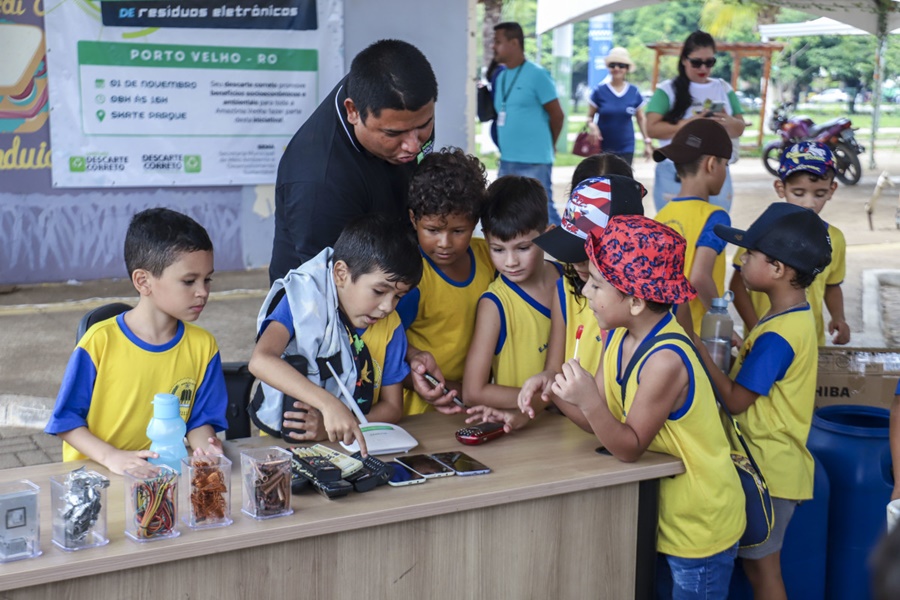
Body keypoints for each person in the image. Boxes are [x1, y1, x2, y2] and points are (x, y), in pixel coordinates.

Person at [476, 215, 745, 597]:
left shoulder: (665, 359)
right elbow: (598, 418)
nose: (585, 292)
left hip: (699, 524)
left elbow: (629, 446)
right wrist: (551, 389)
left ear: (635, 301)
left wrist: (585, 397)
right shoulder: (618, 335)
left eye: (597, 284)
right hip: (662, 515)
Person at [698, 203, 832, 600]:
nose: (740, 261)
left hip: (767, 472)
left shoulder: (778, 336)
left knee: (763, 575)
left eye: (750, 254)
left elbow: (737, 401)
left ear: (777, 269)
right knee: (760, 571)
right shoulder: (787, 319)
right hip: (768, 466)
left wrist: (697, 348)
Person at [45, 208, 228, 475]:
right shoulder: (99, 342)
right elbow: (66, 421)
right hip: (98, 477)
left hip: (161, 478)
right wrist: (112, 458)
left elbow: (199, 422)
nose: (203, 292)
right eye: (189, 281)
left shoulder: (204, 347)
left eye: (207, 279)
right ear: (143, 281)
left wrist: (206, 451)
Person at [249, 215, 436, 454]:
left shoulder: (391, 327)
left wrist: (330, 429)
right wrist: (329, 405)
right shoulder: (301, 300)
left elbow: (392, 408)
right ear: (340, 273)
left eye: (398, 296)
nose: (388, 306)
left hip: (350, 451)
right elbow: (261, 360)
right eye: (379, 291)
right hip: (282, 450)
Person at [268, 39, 437, 283]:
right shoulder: (320, 183)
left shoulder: (405, 109)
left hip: (393, 262)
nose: (413, 145)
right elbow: (332, 287)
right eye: (393, 134)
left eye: (423, 125)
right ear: (353, 111)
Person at [527, 165, 646, 399]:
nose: (577, 263)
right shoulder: (566, 287)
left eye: (586, 253)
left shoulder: (646, 313)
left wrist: (551, 392)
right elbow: (554, 370)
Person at [397, 148, 493, 415]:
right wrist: (424, 382)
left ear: (474, 223)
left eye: (458, 231)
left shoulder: (488, 256)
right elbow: (385, 343)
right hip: (422, 407)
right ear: (413, 219)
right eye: (433, 230)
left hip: (472, 403)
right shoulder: (411, 277)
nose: (445, 243)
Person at [730, 141, 850, 345]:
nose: (809, 203)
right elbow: (737, 285)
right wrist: (756, 326)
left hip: (810, 341)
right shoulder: (763, 229)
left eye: (819, 194)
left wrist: (839, 317)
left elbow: (832, 285)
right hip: (763, 337)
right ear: (780, 188)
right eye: (798, 193)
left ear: (832, 189)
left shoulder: (835, 239)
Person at [462, 176, 561, 409]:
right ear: (485, 239)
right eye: (497, 249)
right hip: (522, 429)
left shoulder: (570, 280)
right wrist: (543, 401)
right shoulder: (495, 304)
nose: (510, 262)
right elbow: (473, 392)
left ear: (548, 235)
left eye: (523, 248)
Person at [645, 30, 745, 213]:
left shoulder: (723, 88)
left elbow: (740, 127)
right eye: (696, 62)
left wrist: (728, 122)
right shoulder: (667, 90)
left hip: (716, 170)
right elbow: (651, 129)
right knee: (674, 233)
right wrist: (690, 125)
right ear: (684, 60)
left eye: (709, 62)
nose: (703, 69)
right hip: (675, 170)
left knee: (714, 231)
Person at [653, 119, 733, 335]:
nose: (725, 171)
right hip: (697, 332)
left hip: (661, 330)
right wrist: (721, 319)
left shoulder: (661, 215)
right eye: (725, 165)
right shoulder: (715, 217)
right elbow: (699, 277)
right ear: (711, 164)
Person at [492, 21, 565, 226]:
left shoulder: (537, 74)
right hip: (507, 159)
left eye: (498, 41)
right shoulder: (501, 76)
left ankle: (566, 254)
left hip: (535, 160)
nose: (493, 46)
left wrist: (550, 145)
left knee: (543, 212)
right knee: (506, 211)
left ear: (514, 43)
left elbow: (557, 115)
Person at [586, 47, 653, 165]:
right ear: (608, 68)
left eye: (621, 65)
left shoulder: (634, 92)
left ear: (627, 68)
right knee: (605, 181)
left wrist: (647, 142)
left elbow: (641, 118)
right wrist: (592, 126)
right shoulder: (599, 91)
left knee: (624, 180)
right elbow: (589, 117)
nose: (616, 68)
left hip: (626, 146)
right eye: (613, 65)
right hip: (603, 146)